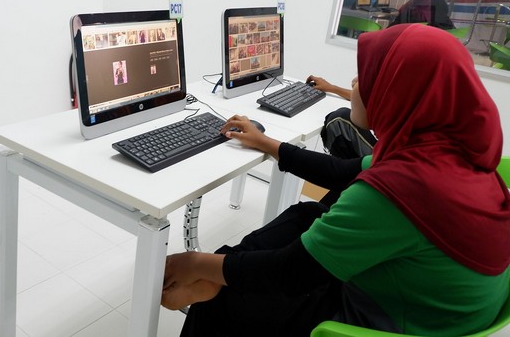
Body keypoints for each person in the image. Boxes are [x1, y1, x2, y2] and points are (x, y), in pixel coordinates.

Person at [162, 23, 510, 336]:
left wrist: (194, 262)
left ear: (398, 93)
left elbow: (291, 272)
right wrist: (266, 143)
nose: (355, 83)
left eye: (368, 77)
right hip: (434, 301)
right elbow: (340, 172)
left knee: (229, 302)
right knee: (307, 214)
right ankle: (213, 277)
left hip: (397, 320)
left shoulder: (401, 191)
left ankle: (209, 284)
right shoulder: (444, 152)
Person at [305, 75, 377, 159]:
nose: (354, 81)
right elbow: (367, 99)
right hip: (387, 150)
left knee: (339, 120)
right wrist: (331, 88)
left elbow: (365, 100)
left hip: (386, 158)